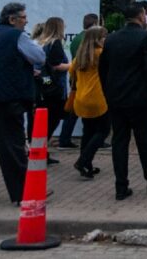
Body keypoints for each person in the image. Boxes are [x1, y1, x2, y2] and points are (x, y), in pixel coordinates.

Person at [99, 3, 147, 200]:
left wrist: (108, 92)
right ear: (141, 16)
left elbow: (103, 68)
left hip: (116, 98)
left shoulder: (112, 38)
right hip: (140, 99)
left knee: (119, 141)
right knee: (145, 141)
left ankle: (121, 186)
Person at [0, 2, 45, 206]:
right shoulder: (17, 36)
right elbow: (39, 56)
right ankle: (22, 192)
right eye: (23, 17)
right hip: (7, 98)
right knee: (12, 146)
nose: (26, 21)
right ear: (12, 19)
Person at [69, 26, 109, 178]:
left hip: (81, 97)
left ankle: (87, 165)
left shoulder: (80, 56)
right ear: (97, 39)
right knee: (103, 130)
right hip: (98, 98)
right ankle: (83, 161)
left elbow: (71, 72)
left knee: (88, 131)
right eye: (104, 37)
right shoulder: (101, 54)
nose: (105, 39)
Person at [59, 12, 102, 149]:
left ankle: (65, 138)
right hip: (88, 80)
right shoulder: (92, 41)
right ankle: (92, 139)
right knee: (87, 114)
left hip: (76, 78)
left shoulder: (76, 39)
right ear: (95, 23)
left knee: (73, 111)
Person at [30, 17, 69, 163]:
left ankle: (38, 150)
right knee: (53, 119)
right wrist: (73, 65)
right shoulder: (55, 43)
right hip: (54, 87)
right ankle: (40, 151)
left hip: (43, 87)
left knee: (41, 120)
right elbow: (56, 65)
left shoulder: (41, 42)